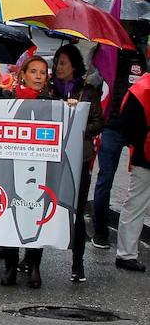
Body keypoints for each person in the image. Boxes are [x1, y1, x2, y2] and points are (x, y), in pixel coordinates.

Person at [0, 55, 58, 287]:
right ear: (23, 75)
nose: (39, 76)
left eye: (43, 72)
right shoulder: (9, 96)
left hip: (39, 166)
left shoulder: (51, 101)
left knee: (36, 215)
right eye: (34, 72)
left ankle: (34, 265)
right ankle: (10, 267)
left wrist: (71, 108)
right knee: (11, 215)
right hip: (12, 166)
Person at [50, 44, 102, 281]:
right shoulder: (49, 90)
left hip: (78, 158)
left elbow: (97, 123)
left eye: (63, 63)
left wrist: (77, 121)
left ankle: (77, 263)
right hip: (50, 158)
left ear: (74, 66)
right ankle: (30, 259)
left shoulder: (88, 91)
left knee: (77, 213)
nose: (59, 67)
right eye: (57, 62)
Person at [92, 38, 147, 247]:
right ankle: (100, 232)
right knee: (105, 178)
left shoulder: (139, 54)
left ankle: (128, 240)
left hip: (135, 127)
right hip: (112, 125)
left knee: (140, 181)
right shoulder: (107, 49)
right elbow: (96, 81)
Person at [115, 69, 150, 271]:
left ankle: (126, 253)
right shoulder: (143, 88)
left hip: (144, 153)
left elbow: (126, 122)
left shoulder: (142, 87)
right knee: (136, 204)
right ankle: (126, 254)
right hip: (145, 154)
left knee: (135, 204)